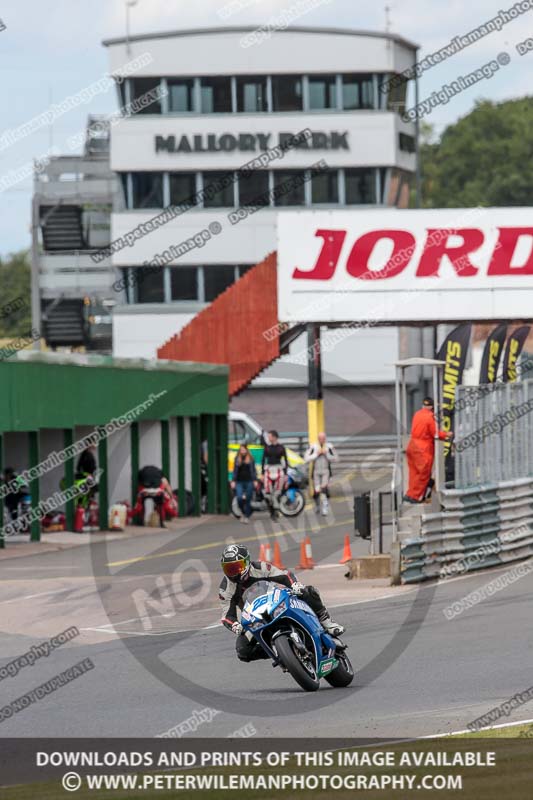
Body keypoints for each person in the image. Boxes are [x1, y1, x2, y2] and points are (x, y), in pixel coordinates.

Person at [219, 544, 345, 663]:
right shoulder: (226, 589)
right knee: (243, 651)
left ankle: (327, 623)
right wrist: (235, 625)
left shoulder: (261, 567)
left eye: (237, 567)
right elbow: (227, 616)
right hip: (255, 616)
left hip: (277, 600)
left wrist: (295, 585)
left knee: (308, 592)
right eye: (229, 568)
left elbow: (285, 576)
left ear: (247, 562)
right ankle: (280, 652)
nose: (233, 572)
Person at [404, 397, 452, 503]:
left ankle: (410, 494)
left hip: (412, 445)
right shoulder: (430, 417)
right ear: (432, 407)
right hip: (423, 448)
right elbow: (435, 433)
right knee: (423, 474)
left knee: (414, 472)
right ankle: (415, 497)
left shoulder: (417, 414)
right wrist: (446, 434)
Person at [305, 432, 338, 515]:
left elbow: (336, 458)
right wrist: (317, 454)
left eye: (323, 438)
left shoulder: (329, 446)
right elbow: (306, 458)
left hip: (325, 470)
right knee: (316, 490)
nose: (322, 440)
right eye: (320, 438)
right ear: (318, 438)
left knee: (323, 489)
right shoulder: (313, 446)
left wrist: (326, 454)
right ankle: (317, 505)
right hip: (316, 471)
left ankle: (325, 508)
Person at [261, 430, 288, 520]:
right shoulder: (267, 447)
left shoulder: (281, 448)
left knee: (277, 492)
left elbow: (285, 460)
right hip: (269, 469)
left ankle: (275, 511)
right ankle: (272, 511)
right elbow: (263, 460)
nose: (269, 438)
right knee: (268, 493)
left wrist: (286, 473)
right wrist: (262, 473)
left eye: (270, 436)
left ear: (275, 437)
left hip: (278, 469)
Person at [231, 444, 257, 524]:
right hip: (239, 481)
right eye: (241, 449)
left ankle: (246, 516)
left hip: (249, 481)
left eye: (243, 449)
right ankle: (244, 512)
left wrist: (255, 480)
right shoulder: (237, 459)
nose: (242, 451)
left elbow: (253, 470)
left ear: (246, 450)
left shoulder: (251, 459)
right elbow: (235, 470)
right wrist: (233, 481)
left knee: (248, 499)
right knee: (239, 498)